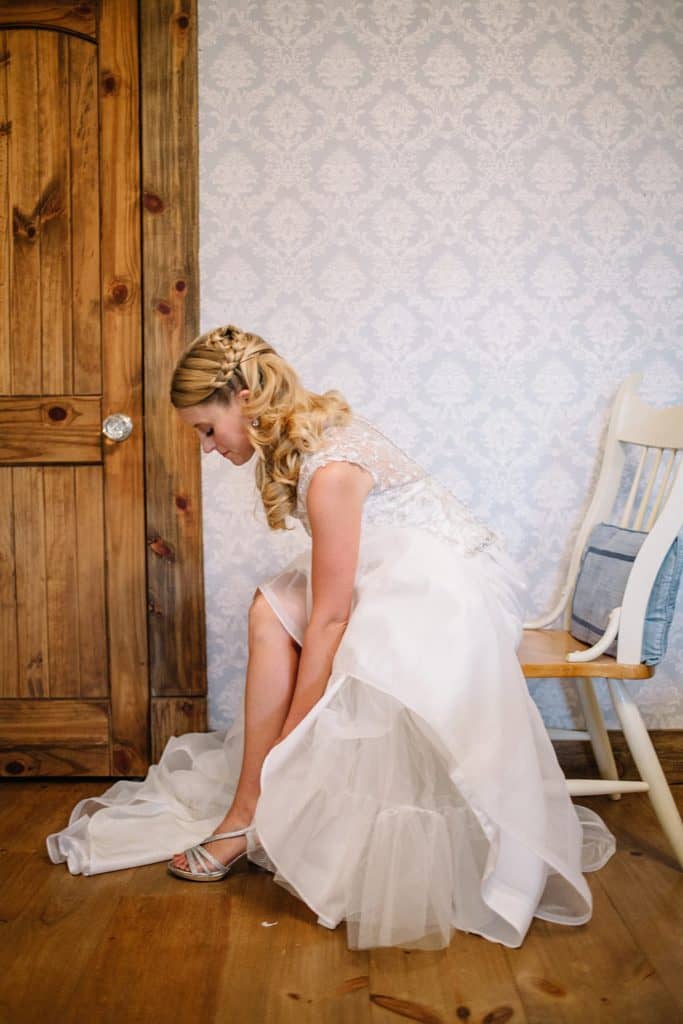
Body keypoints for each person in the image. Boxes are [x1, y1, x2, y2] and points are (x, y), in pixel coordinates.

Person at [47, 323, 615, 951]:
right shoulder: (303, 437)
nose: (207, 448)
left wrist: (296, 732)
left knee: (355, 652)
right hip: (392, 568)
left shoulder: (331, 468)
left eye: (207, 429)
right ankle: (248, 804)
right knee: (268, 610)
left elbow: (332, 618)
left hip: (442, 591)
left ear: (242, 399)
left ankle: (260, 799)